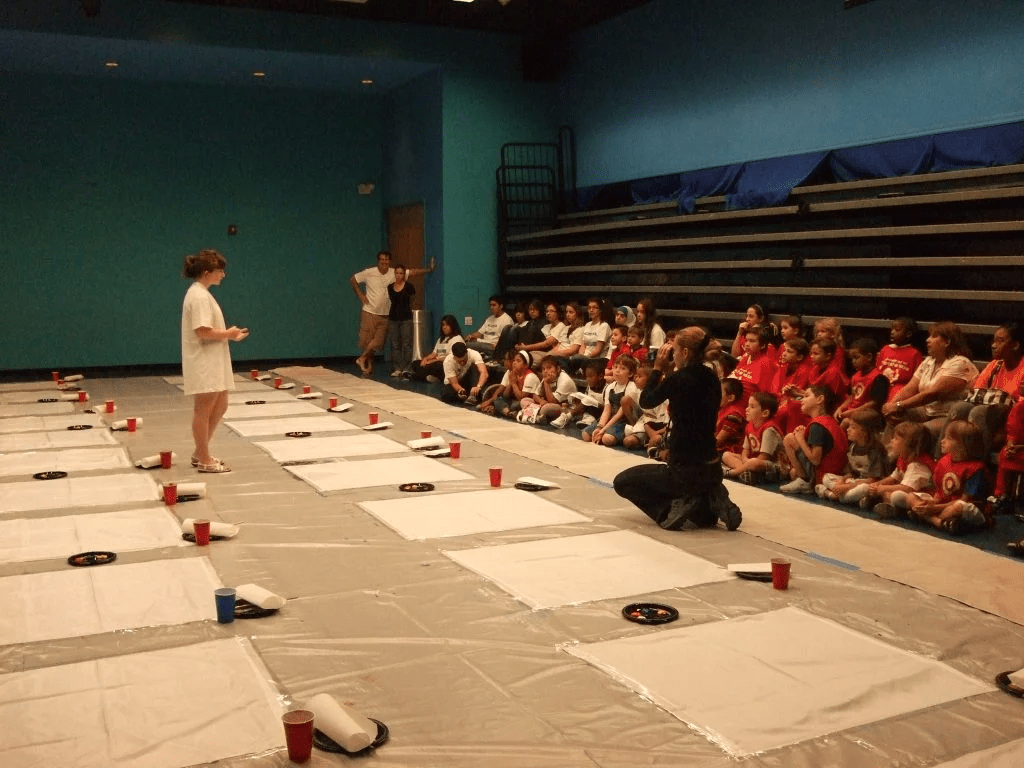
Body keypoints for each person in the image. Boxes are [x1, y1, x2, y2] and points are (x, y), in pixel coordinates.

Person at [612, 327, 742, 531]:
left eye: (675, 350)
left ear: (685, 352)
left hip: (683, 470)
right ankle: (712, 495)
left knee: (622, 482)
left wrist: (657, 369)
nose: (672, 355)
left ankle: (670, 508)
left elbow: (646, 401)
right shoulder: (712, 377)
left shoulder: (679, 378)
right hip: (711, 467)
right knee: (705, 520)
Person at [180, 248, 249, 474]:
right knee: (203, 410)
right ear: (207, 272)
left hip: (213, 359)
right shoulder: (198, 296)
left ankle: (200, 451)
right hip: (203, 361)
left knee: (220, 405)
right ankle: (204, 457)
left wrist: (230, 335)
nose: (223, 275)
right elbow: (202, 331)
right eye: (220, 270)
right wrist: (229, 333)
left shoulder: (202, 293)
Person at [881, 321, 978, 442]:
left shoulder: (960, 363)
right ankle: (886, 451)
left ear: (947, 342)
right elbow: (910, 388)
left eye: (934, 336)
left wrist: (898, 405)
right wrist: (891, 406)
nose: (927, 340)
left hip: (949, 416)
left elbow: (931, 395)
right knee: (894, 417)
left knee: (920, 431)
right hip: (927, 411)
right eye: (929, 336)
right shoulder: (929, 361)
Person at [945, 322, 1024, 456]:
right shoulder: (995, 365)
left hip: (1011, 420)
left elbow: (1019, 408)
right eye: (994, 341)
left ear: (1015, 345)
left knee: (979, 411)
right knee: (960, 407)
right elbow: (977, 391)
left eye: (1000, 341)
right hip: (989, 416)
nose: (993, 345)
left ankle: (978, 461)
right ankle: (943, 459)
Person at [349, 250, 432, 377]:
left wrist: (428, 270)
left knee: (377, 343)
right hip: (370, 311)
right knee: (368, 341)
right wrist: (361, 295)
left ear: (390, 261)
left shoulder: (394, 273)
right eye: (382, 259)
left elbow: (412, 272)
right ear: (378, 261)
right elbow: (353, 280)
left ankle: (362, 358)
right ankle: (369, 364)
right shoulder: (369, 272)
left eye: (387, 260)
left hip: (386, 314)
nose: (384, 262)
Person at [779, 385, 848, 494]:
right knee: (793, 472)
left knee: (789, 439)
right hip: (836, 473)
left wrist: (800, 439)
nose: (802, 400)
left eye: (806, 396)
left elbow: (815, 459)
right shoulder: (829, 421)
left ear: (819, 399)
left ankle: (804, 481)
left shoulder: (817, 425)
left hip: (824, 476)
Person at [815, 410, 889, 504]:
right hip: (856, 481)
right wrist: (843, 480)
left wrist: (847, 487)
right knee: (827, 477)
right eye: (849, 426)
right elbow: (854, 472)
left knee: (864, 488)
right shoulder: (853, 446)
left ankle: (833, 495)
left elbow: (874, 479)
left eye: (853, 427)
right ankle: (852, 498)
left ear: (865, 431)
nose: (848, 430)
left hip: (869, 484)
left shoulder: (875, 450)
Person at [722, 392, 783, 485]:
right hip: (753, 462)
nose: (747, 409)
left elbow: (764, 457)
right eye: (748, 405)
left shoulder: (769, 429)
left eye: (752, 407)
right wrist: (745, 460)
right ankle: (745, 473)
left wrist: (748, 463)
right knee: (726, 455)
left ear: (765, 413)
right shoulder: (749, 426)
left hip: (775, 467)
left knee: (754, 462)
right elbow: (745, 450)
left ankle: (733, 472)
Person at [583, 355, 639, 446]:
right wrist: (600, 427)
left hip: (623, 421)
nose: (617, 370)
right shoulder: (610, 387)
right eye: (615, 367)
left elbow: (620, 414)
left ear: (630, 373)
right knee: (586, 435)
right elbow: (607, 409)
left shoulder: (632, 387)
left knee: (607, 439)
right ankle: (603, 434)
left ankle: (618, 435)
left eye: (622, 368)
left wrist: (603, 430)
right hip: (610, 419)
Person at [877, 317, 922, 402]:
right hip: (880, 390)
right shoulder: (885, 349)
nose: (892, 332)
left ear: (908, 334)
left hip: (900, 393)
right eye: (892, 329)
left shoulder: (914, 354)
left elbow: (916, 380)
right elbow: (877, 371)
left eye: (897, 330)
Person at [407, 315, 463, 382]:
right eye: (443, 325)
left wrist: (432, 361)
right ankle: (431, 377)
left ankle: (416, 376)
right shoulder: (441, 339)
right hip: (436, 362)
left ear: (452, 326)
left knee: (435, 366)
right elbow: (434, 354)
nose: (444, 327)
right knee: (415, 363)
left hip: (446, 364)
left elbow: (451, 357)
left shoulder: (457, 338)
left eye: (447, 325)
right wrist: (425, 359)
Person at [386, 264, 415, 377]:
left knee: (406, 344)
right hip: (393, 317)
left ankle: (407, 368)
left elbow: (412, 300)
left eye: (401, 273)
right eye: (397, 273)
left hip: (406, 318)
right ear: (394, 274)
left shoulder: (409, 286)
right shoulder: (390, 287)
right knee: (395, 344)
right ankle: (397, 368)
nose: (399, 275)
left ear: (404, 275)